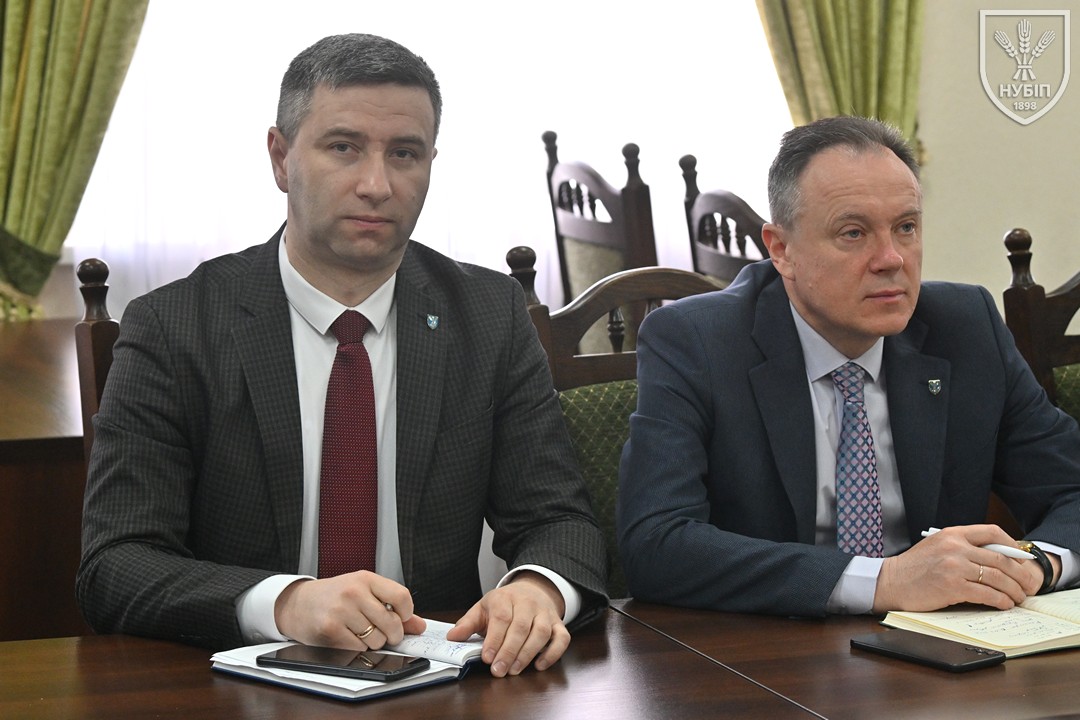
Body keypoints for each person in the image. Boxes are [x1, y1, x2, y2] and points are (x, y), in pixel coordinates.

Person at [76, 33, 607, 677]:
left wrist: (538, 588)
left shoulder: (488, 315)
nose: (376, 185)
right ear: (281, 158)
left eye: (404, 154)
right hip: (237, 685)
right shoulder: (175, 326)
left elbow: (557, 519)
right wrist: (284, 603)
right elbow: (116, 563)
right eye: (343, 148)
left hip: (434, 684)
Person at [617, 115, 1080, 617]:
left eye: (906, 227)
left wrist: (1036, 563)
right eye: (853, 233)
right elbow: (656, 543)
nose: (891, 259)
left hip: (946, 641)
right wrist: (884, 581)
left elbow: (1070, 487)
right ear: (781, 250)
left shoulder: (966, 328)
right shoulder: (697, 341)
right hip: (769, 646)